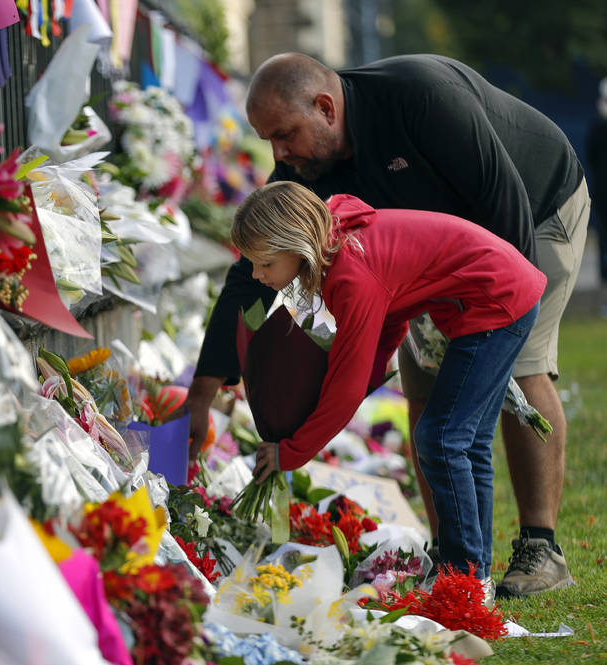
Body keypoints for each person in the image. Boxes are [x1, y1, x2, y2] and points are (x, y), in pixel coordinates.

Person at [186, 53, 589, 598]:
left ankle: (537, 549)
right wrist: (207, 386)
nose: (277, 154)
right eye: (267, 141)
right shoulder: (305, 182)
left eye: (283, 135)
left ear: (325, 108)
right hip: (438, 270)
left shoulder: (421, 98)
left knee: (518, 372)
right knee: (426, 393)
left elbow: (504, 204)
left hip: (530, 213)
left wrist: (493, 339)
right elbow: (251, 278)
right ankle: (457, 552)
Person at [235, 181, 543, 595]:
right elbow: (393, 316)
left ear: (293, 243)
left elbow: (345, 386)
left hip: (496, 300)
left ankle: (466, 578)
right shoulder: (340, 245)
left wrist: (289, 450)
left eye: (264, 263)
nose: (257, 274)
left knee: (441, 437)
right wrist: (358, 379)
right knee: (464, 441)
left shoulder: (350, 272)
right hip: (495, 292)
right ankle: (471, 572)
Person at [586, 78, 607, 286]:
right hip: (602, 193)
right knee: (603, 236)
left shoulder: (597, 128)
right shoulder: (597, 128)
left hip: (601, 191)